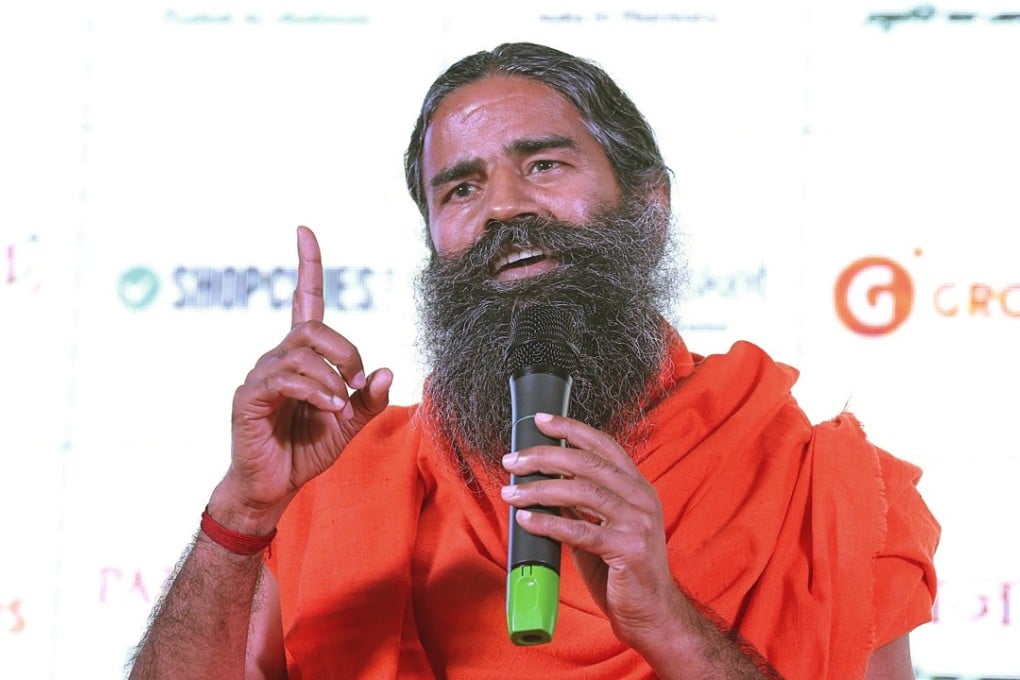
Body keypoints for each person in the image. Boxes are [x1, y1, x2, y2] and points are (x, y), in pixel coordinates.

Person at [129, 42, 939, 679]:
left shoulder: (808, 479)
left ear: (649, 209)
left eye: (544, 165)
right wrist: (241, 514)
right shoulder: (341, 478)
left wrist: (668, 622)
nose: (504, 207)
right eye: (461, 189)